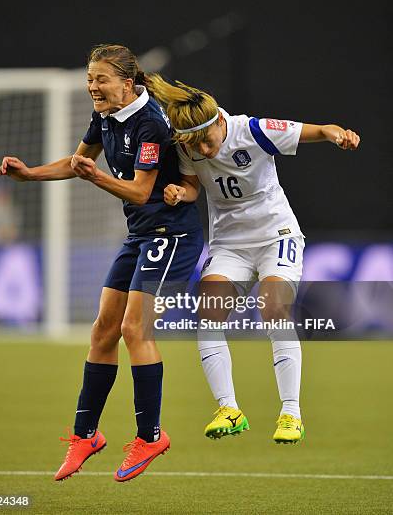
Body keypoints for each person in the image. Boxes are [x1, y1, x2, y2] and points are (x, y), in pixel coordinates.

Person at [0, 45, 204, 481]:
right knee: (103, 329)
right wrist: (30, 174)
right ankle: (85, 435)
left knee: (132, 329)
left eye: (101, 79)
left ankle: (151, 436)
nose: (92, 86)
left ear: (128, 83)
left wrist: (98, 177)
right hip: (141, 234)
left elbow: (141, 192)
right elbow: (78, 162)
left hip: (172, 235)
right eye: (90, 78)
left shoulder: (150, 123)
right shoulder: (107, 115)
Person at [145, 74, 360, 444]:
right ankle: (229, 409)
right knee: (208, 312)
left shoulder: (253, 130)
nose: (205, 151)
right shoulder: (188, 146)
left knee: (273, 308)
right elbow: (194, 185)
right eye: (195, 146)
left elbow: (316, 129)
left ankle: (291, 413)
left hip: (276, 235)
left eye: (207, 142)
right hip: (229, 242)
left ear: (217, 122)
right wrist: (181, 191)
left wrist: (335, 133)